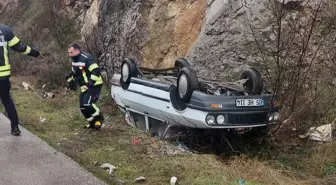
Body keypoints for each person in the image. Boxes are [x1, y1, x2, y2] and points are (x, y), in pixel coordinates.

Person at [0, 24, 40, 136]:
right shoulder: (5, 30)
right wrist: (34, 53)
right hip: (3, 76)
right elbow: (19, 47)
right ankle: (15, 128)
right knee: (7, 100)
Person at [66, 43, 104, 129]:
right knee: (82, 108)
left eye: (71, 52)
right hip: (84, 86)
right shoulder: (74, 60)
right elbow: (76, 73)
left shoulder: (86, 58)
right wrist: (70, 79)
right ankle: (92, 123)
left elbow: (96, 71)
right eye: (69, 53)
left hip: (94, 84)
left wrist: (89, 84)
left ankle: (99, 119)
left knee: (88, 104)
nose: (70, 55)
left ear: (77, 51)